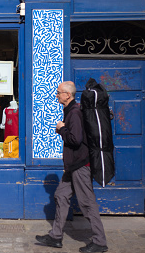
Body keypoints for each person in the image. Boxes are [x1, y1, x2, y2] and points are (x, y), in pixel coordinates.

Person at [36, 81, 108, 253]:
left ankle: (100, 242)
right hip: (72, 165)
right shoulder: (71, 110)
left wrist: (61, 129)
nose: (57, 95)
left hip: (80, 166)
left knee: (87, 203)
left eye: (59, 92)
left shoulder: (74, 113)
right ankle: (55, 237)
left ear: (67, 95)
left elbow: (75, 140)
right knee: (61, 196)